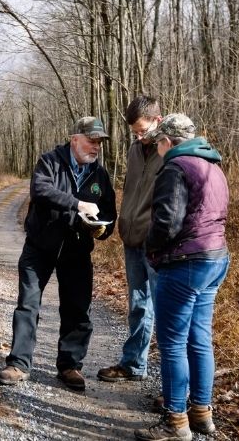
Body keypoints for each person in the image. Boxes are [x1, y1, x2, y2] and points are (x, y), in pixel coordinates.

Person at [0, 116, 117, 391]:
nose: (96, 147)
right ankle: (19, 364)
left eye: (99, 142)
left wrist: (103, 230)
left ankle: (70, 366)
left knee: (77, 309)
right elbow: (40, 190)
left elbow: (109, 211)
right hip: (40, 246)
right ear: (75, 139)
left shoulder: (99, 174)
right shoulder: (50, 161)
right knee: (28, 305)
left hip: (77, 251)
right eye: (91, 140)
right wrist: (77, 205)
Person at [134, 114, 230, 441]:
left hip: (186, 262)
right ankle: (202, 413)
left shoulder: (175, 168)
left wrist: (151, 250)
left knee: (173, 342)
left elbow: (167, 223)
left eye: (159, 142)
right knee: (199, 338)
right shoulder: (213, 166)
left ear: (168, 142)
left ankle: (175, 422)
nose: (158, 148)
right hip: (216, 259)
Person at [98, 96, 163, 385]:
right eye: (134, 131)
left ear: (157, 121)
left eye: (142, 129)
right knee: (138, 303)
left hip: (158, 241)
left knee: (166, 310)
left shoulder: (171, 150)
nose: (138, 135)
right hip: (132, 238)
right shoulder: (135, 149)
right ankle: (134, 364)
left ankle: (176, 389)